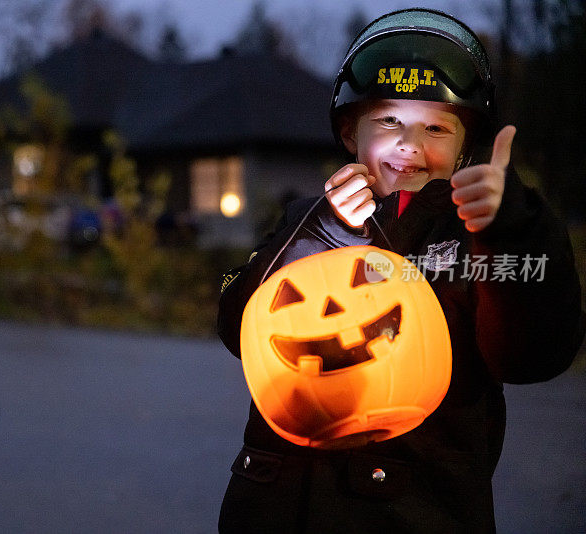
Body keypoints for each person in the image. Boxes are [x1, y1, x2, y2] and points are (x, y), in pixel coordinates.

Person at [216, 8, 585, 533]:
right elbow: (239, 325)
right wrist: (325, 231)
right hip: (273, 507)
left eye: (436, 127)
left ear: (463, 151)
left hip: (413, 514)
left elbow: (533, 354)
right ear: (351, 133)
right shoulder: (306, 219)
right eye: (389, 120)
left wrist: (512, 226)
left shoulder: (478, 240)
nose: (410, 144)